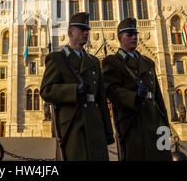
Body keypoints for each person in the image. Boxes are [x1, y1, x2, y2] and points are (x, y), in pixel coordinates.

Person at [40, 12, 114, 161]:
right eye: (81, 29)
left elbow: (101, 99)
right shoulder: (58, 58)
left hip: (95, 125)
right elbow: (46, 90)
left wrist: (108, 130)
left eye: (87, 30)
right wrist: (73, 91)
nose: (86, 33)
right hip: (72, 125)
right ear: (70, 33)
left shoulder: (93, 61)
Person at [102, 17, 172, 161]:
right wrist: (133, 97)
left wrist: (165, 123)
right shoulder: (112, 62)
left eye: (135, 34)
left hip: (155, 120)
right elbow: (111, 90)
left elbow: (158, 95)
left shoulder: (148, 62)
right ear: (120, 38)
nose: (134, 38)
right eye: (129, 35)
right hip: (132, 121)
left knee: (162, 156)